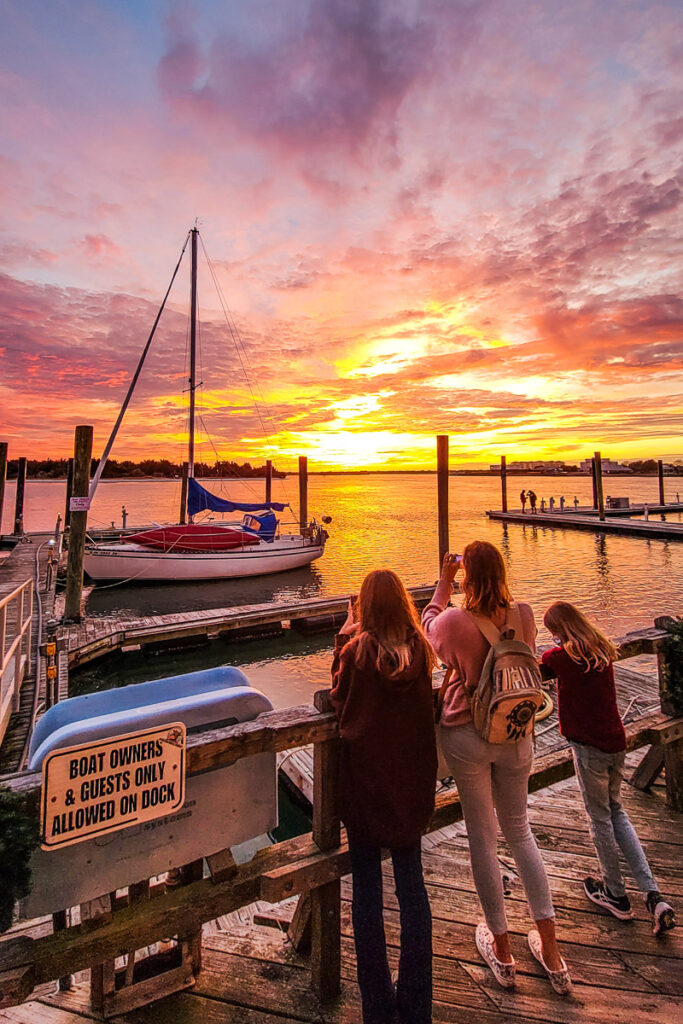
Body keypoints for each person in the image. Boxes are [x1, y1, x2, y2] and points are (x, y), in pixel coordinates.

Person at [422, 544, 570, 994]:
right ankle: (552, 952)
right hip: (516, 731)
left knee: (483, 840)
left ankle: (503, 953)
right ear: (502, 572)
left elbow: (427, 625)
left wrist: (444, 582)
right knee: (520, 832)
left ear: (469, 578)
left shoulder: (454, 622)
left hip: (467, 734)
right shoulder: (523, 614)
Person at [331, 570, 437, 1024]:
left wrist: (342, 637)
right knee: (413, 892)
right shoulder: (421, 650)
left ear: (365, 607)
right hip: (410, 787)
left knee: (367, 895)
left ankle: (377, 1004)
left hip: (365, 788)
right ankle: (417, 1005)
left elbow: (341, 702)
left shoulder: (357, 654)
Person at [542, 602, 677, 935]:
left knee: (599, 819)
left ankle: (616, 893)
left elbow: (545, 660)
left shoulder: (566, 658)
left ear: (561, 632)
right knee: (617, 813)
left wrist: (555, 647)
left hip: (590, 750)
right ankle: (653, 894)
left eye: (553, 633)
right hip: (617, 744)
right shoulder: (601, 650)